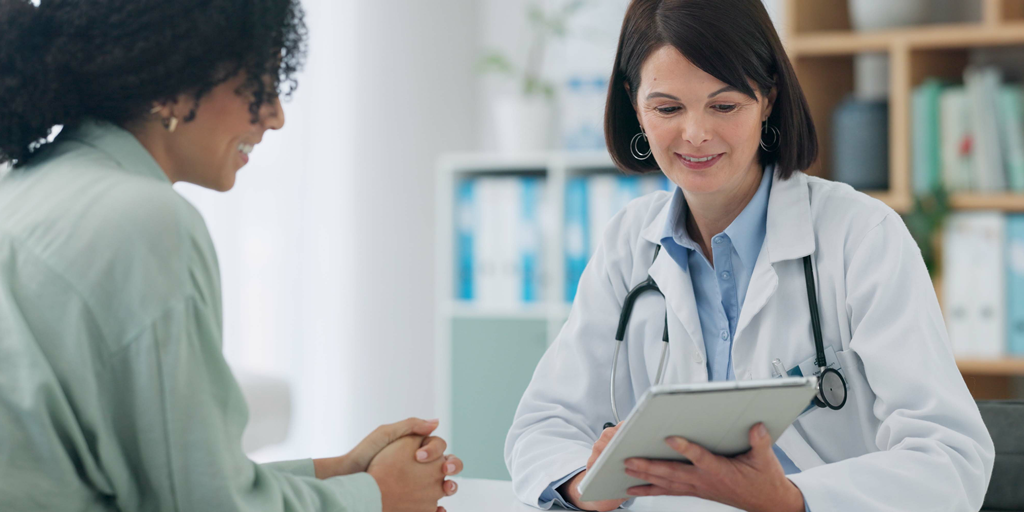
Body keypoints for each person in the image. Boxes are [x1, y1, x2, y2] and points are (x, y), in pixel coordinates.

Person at [505, 0, 994, 511]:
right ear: (634, 104)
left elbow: (951, 458)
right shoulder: (628, 244)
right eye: (668, 109)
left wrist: (791, 500)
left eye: (724, 106)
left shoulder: (862, 237)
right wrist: (586, 486)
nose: (696, 134)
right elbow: (543, 426)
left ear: (767, 98)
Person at [0, 1, 461, 511]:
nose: (276, 116)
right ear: (170, 87)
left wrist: (339, 472)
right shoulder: (143, 221)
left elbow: (171, 480)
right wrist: (380, 496)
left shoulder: (27, 188)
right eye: (259, 83)